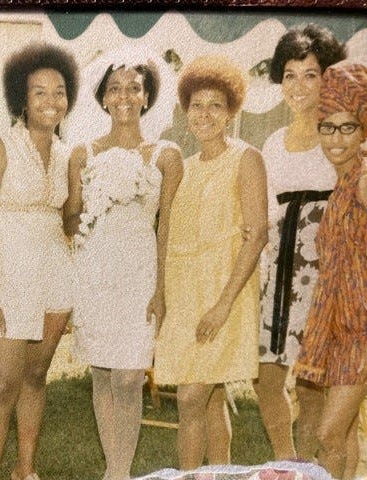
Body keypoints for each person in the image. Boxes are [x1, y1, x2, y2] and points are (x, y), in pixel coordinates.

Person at [63, 59, 182, 480]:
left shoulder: (166, 155)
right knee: (102, 372)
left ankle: (118, 471)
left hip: (140, 273)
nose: (125, 96)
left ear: (147, 97)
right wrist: (82, 211)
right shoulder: (83, 153)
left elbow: (166, 225)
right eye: (115, 88)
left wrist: (161, 289)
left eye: (134, 87)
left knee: (129, 378)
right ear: (103, 98)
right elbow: (70, 219)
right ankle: (116, 472)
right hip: (95, 273)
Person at [154, 55, 268, 469]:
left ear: (231, 111)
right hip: (185, 297)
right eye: (197, 106)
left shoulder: (246, 158)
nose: (205, 114)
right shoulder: (181, 169)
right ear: (185, 112)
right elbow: (167, 238)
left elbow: (257, 236)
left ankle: (188, 478)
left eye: (215, 106)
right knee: (212, 396)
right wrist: (161, 297)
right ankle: (221, 476)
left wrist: (222, 306)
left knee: (189, 398)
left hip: (225, 293)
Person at [0, 43, 79, 480]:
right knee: (0, 387)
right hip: (10, 276)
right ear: (21, 97)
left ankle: (25, 470)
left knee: (36, 378)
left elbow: (70, 219)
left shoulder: (68, 154)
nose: (50, 101)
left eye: (58, 92)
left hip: (55, 273)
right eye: (39, 92)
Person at [254, 24, 347, 461]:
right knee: (264, 378)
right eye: (290, 74)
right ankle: (287, 462)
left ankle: (312, 469)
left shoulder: (341, 135)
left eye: (310, 74)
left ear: (327, 76)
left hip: (325, 277)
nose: (298, 85)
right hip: (277, 276)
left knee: (312, 388)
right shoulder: (272, 142)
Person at [294, 57, 367, 480]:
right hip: (335, 326)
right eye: (328, 127)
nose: (335, 138)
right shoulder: (342, 183)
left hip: (360, 330)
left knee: (327, 434)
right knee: (346, 433)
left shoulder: (361, 178)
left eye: (348, 127)